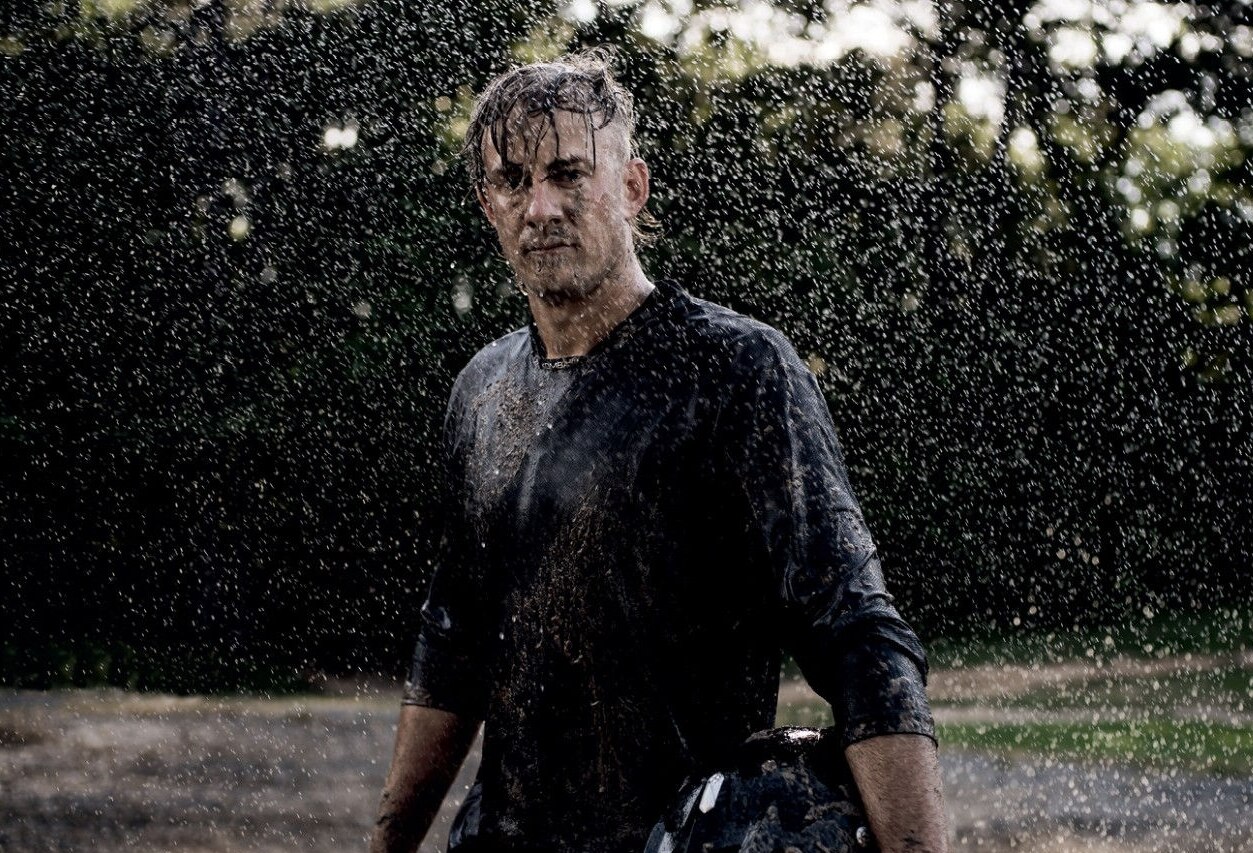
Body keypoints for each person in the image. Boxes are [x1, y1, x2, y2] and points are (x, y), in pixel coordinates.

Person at [370, 48, 947, 853]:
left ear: (632, 187)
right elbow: (453, 640)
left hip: (678, 836)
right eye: (513, 182)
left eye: (570, 173)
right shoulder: (481, 390)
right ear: (487, 207)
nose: (540, 207)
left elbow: (855, 633)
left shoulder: (735, 369)